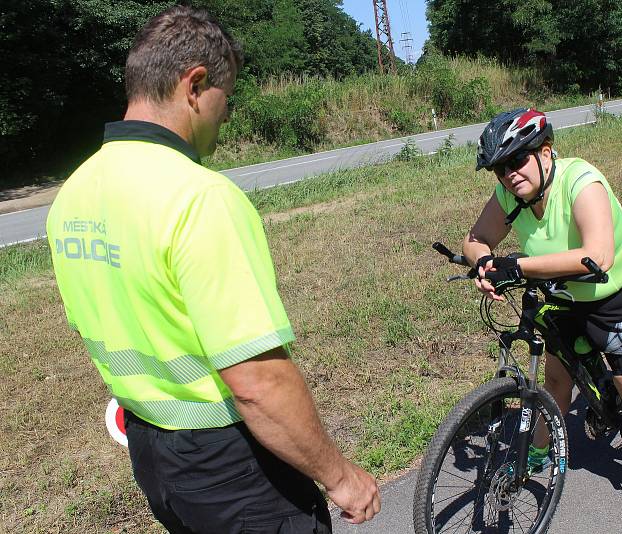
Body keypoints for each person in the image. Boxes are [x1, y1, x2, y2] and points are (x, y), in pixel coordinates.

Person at [46, 6, 380, 533]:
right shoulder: (199, 197)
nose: (228, 115)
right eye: (227, 97)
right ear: (195, 85)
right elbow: (257, 381)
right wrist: (340, 478)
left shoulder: (74, 193)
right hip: (232, 467)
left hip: (153, 457)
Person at [462, 108, 622, 534]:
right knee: (555, 382)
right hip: (565, 297)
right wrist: (485, 264)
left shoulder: (581, 182)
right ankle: (538, 452)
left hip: (619, 294)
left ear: (545, 153)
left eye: (517, 161)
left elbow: (597, 256)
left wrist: (519, 265)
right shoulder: (512, 196)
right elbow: (477, 240)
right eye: (500, 169)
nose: (509, 175)